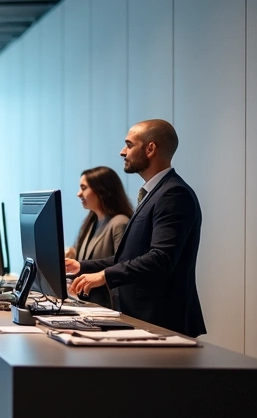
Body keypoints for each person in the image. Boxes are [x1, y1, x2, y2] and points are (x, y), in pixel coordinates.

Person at [69, 120, 206, 337]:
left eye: (129, 145)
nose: (122, 152)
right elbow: (130, 256)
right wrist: (81, 266)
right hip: (144, 318)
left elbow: (161, 259)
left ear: (150, 149)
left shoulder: (173, 194)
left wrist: (104, 275)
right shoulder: (155, 192)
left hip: (163, 321)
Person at [64, 166, 133, 308]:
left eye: (84, 188)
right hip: (88, 302)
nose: (78, 193)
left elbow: (123, 262)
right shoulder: (91, 222)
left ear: (102, 191)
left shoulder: (120, 222)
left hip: (107, 305)